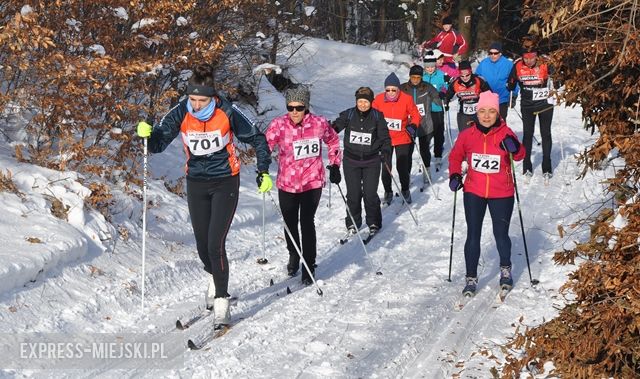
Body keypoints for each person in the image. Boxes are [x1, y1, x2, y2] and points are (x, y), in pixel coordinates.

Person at [136, 63, 272, 328]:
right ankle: (214, 277)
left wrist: (263, 171)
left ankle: (222, 301)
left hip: (225, 182)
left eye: (202, 100)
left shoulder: (227, 111)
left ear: (212, 97)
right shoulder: (181, 111)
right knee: (202, 247)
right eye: (193, 99)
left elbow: (257, 138)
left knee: (214, 244)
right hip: (196, 182)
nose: (196, 105)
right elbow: (158, 144)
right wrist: (147, 134)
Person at [447, 91, 525, 296]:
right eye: (482, 111)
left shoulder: (506, 132)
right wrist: (455, 175)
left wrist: (515, 147)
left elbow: (520, 155)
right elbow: (455, 156)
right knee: (473, 235)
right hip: (474, 191)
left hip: (502, 192)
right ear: (477, 112)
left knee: (501, 235)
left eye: (491, 111)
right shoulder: (467, 134)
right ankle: (471, 278)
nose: (487, 116)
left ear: (497, 113)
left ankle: (505, 269)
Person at [265, 86, 341, 285]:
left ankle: (309, 264)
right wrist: (262, 169)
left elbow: (333, 141)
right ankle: (294, 254)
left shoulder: (319, 123)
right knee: (290, 224)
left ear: (306, 107)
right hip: (287, 183)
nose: (295, 112)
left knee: (307, 222)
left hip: (312, 181)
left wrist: (334, 164)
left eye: (299, 107)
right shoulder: (278, 125)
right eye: (290, 107)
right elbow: (264, 146)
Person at [332, 87, 391, 236]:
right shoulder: (349, 114)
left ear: (371, 102)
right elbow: (335, 127)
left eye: (366, 101)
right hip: (351, 161)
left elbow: (385, 138)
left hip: (371, 161)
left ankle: (374, 222)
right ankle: (353, 221)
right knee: (353, 193)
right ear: (356, 101)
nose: (363, 104)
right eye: (360, 101)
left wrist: (385, 152)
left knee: (370, 194)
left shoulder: (377, 116)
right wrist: (328, 129)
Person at [507, 41, 556, 181]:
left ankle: (547, 166)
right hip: (527, 105)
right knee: (528, 134)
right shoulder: (517, 65)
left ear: (536, 55)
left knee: (545, 133)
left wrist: (554, 78)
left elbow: (557, 77)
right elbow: (511, 83)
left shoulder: (544, 62)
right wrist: (511, 86)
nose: (529, 61)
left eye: (532, 57)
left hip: (545, 103)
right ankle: (527, 165)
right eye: (526, 58)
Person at [372, 73, 422, 205]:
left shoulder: (407, 99)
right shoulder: (378, 99)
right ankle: (388, 191)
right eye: (388, 90)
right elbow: (372, 116)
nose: (391, 92)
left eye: (394, 90)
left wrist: (413, 125)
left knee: (402, 167)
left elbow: (416, 115)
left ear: (398, 89)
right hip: (385, 139)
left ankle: (405, 190)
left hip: (402, 138)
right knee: (386, 167)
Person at [400, 65, 443, 186]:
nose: (415, 80)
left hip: (425, 124)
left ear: (421, 77)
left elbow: (437, 98)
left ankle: (426, 170)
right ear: (409, 76)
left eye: (418, 77)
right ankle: (406, 175)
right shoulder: (402, 88)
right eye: (413, 77)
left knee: (424, 150)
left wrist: (442, 98)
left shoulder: (427, 87)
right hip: (408, 125)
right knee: (408, 152)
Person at [422, 50, 451, 171]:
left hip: (437, 108)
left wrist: (443, 93)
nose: (430, 69)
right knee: (426, 134)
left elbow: (445, 87)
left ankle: (438, 155)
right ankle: (425, 155)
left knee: (438, 133)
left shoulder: (440, 75)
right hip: (424, 110)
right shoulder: (421, 76)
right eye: (427, 67)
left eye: (432, 66)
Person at [444, 60, 491, 133]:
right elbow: (448, 95)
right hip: (463, 114)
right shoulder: (455, 83)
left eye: (467, 75)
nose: (465, 78)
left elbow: (489, 94)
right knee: (464, 135)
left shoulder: (479, 80)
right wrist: (446, 102)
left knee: (480, 135)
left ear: (471, 72)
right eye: (462, 76)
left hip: (479, 112)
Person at [475, 42, 519, 120]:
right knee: (487, 122)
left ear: (500, 53)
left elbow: (515, 80)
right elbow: (476, 78)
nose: (493, 55)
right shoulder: (484, 63)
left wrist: (513, 95)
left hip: (502, 98)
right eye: (490, 53)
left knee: (501, 122)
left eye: (495, 53)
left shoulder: (508, 64)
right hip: (487, 99)